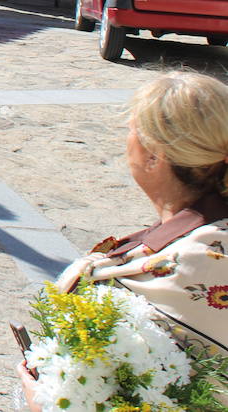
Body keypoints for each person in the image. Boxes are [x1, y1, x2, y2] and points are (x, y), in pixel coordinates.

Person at [17, 72, 228, 408]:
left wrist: (45, 402)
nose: (127, 139)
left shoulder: (189, 263)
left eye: (131, 130)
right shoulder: (202, 235)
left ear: (154, 155)